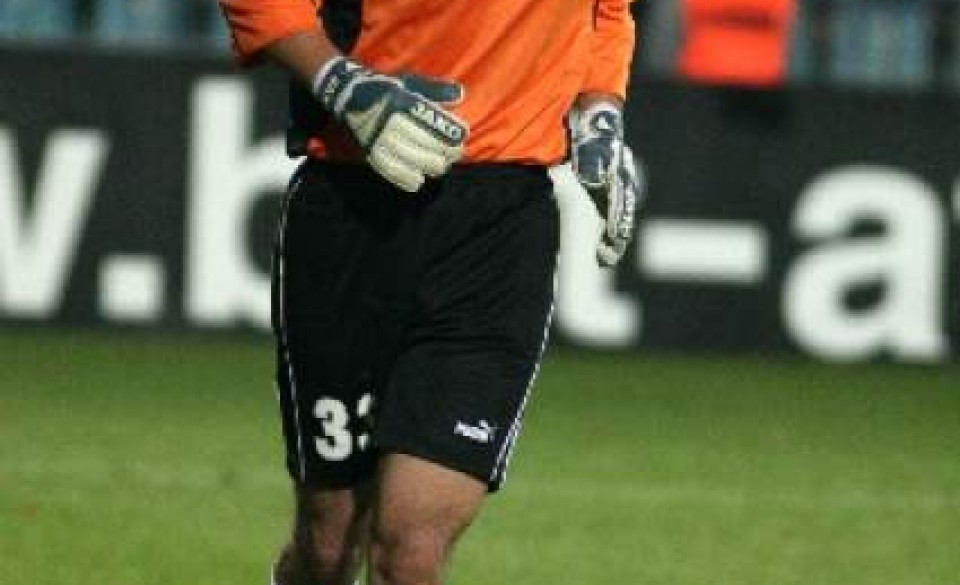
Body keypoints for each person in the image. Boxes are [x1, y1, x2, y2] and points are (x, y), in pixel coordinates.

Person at [217, 1, 641, 584]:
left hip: (498, 230)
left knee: (410, 552)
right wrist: (341, 83)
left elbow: (606, 12)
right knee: (328, 545)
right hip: (353, 203)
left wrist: (600, 110)